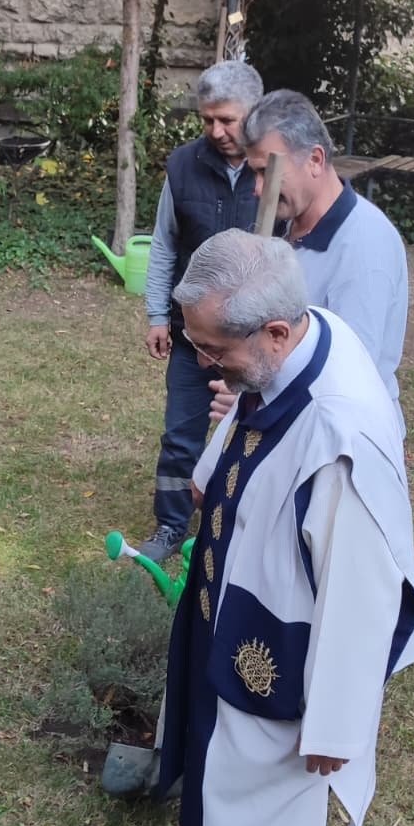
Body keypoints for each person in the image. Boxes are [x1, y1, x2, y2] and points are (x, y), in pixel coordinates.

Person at [155, 230, 414, 826]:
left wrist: (337, 726)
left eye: (214, 350)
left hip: (286, 634)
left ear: (275, 333)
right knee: (222, 754)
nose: (202, 363)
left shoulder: (341, 435)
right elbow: (251, 401)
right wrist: (212, 459)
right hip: (242, 586)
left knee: (262, 785)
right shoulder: (301, 337)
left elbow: (363, 591)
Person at [205, 89, 409, 431]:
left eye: (267, 172)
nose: (257, 190)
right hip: (282, 428)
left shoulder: (364, 245)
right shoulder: (283, 227)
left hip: (337, 442)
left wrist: (254, 391)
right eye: (254, 173)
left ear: (315, 160)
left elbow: (349, 374)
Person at [135, 61, 263, 565]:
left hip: (255, 339)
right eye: (208, 120)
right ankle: (170, 526)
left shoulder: (272, 167)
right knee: (180, 432)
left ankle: (241, 526)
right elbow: (164, 245)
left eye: (227, 120)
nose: (216, 131)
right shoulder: (183, 166)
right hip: (193, 337)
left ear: (254, 112)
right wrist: (155, 315)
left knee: (254, 430)